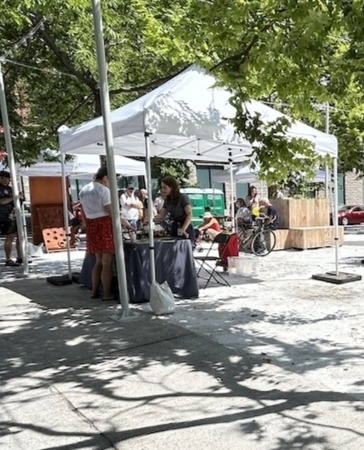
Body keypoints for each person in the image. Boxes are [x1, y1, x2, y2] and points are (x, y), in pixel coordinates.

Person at [79, 166, 115, 301]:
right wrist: (125, 223)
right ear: (105, 178)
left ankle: (94, 291)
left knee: (98, 261)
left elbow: (82, 212)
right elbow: (111, 212)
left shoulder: (84, 190)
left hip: (91, 225)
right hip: (104, 224)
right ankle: (106, 293)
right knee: (107, 262)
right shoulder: (104, 190)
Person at [152, 176, 194, 243]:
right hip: (174, 227)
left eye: (165, 187)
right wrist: (150, 220)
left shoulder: (182, 197)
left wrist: (183, 229)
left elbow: (189, 214)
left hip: (185, 227)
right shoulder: (168, 200)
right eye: (162, 187)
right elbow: (162, 215)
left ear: (172, 188)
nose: (162, 190)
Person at [0, 170, 22, 267]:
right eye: (7, 178)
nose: (8, 180)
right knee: (9, 237)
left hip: (13, 214)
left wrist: (19, 197)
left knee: (19, 236)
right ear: (1, 178)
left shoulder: (10, 189)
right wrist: (14, 197)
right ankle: (8, 259)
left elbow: (17, 201)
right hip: (3, 216)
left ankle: (20, 257)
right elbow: (2, 201)